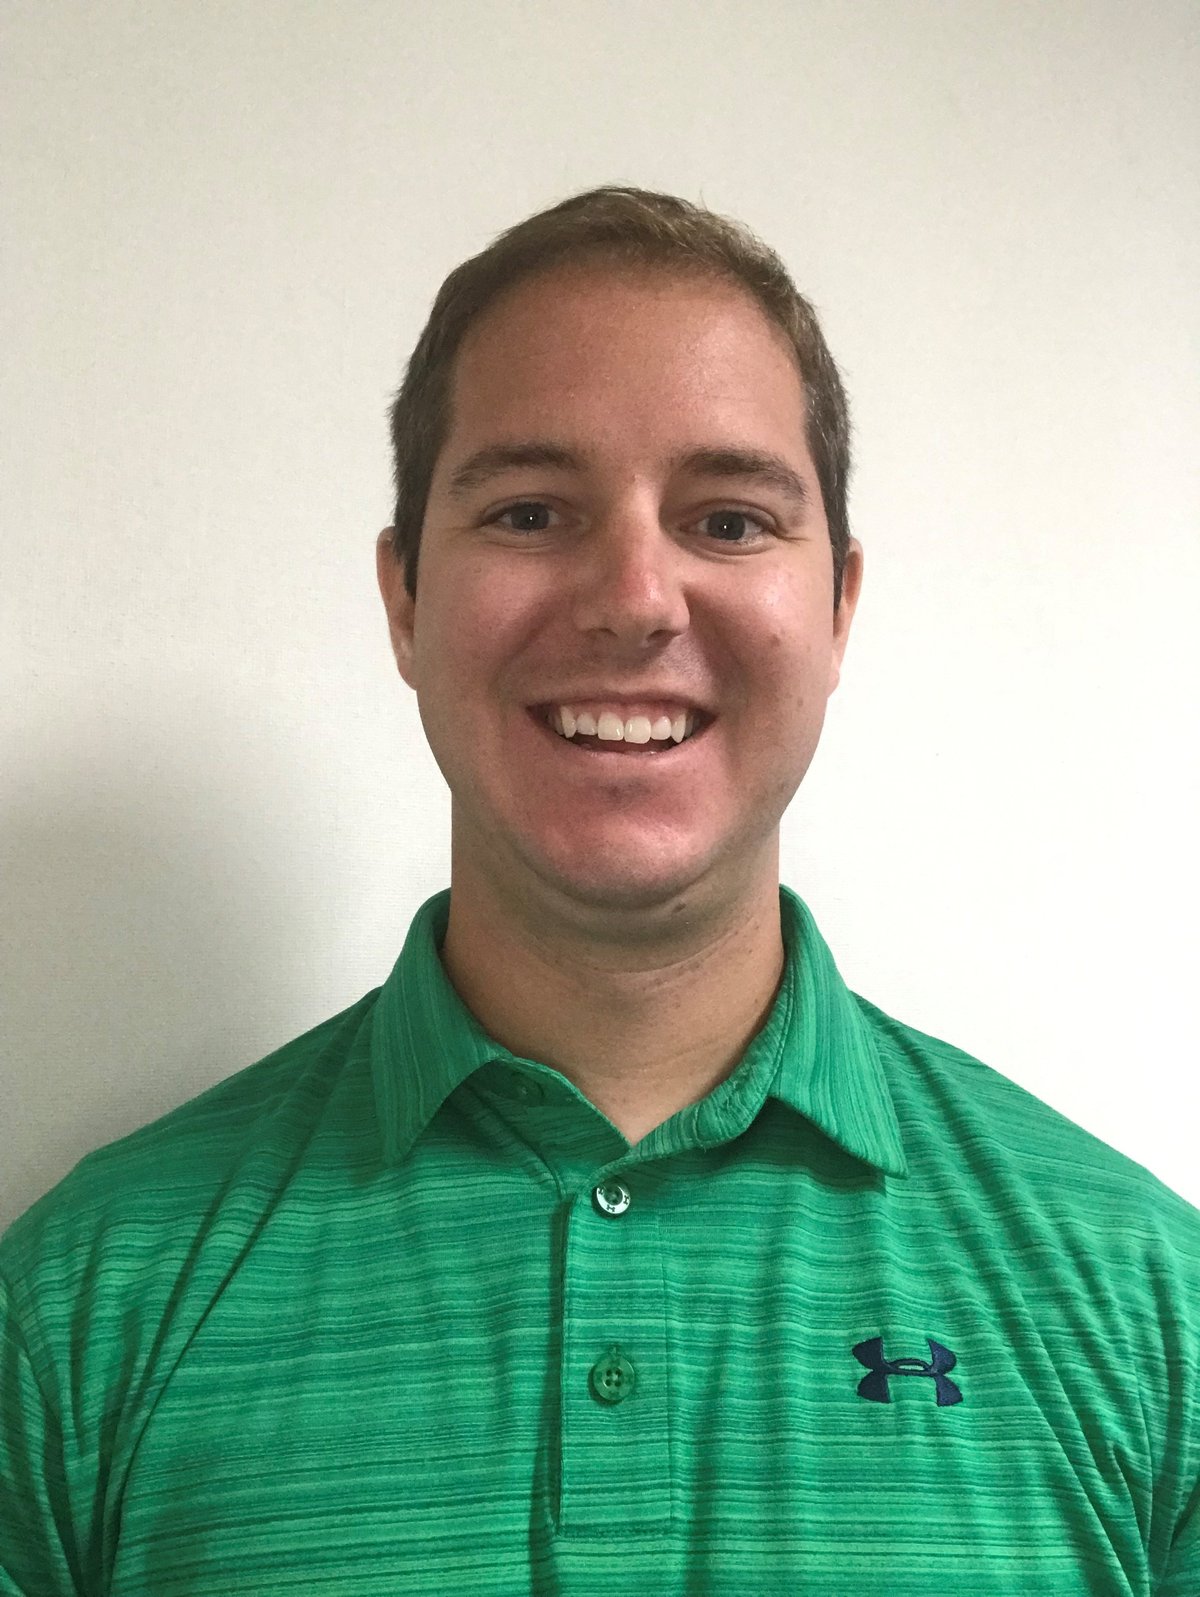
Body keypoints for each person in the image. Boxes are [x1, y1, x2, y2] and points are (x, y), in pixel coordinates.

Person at [1, 185, 1197, 1597]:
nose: (634, 596)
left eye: (730, 520)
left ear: (838, 608)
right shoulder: (74, 1316)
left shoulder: (1151, 1311)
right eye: (529, 511)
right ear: (404, 599)